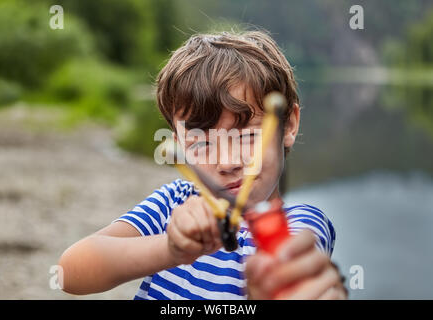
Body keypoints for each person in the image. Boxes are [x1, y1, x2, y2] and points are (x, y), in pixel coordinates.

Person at [58, 30, 347, 300]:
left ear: (289, 125)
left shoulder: (300, 223)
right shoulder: (173, 202)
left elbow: (297, 277)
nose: (228, 162)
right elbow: (69, 273)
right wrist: (170, 249)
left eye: (247, 136)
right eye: (202, 142)